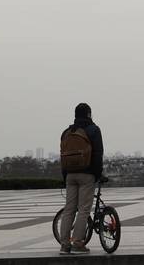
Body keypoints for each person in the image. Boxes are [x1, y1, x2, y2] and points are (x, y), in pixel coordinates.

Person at [58, 102, 104, 255]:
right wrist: (97, 174)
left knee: (69, 210)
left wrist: (65, 176)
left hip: (70, 175)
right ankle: (78, 243)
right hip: (87, 174)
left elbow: (63, 156)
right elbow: (98, 154)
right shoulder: (93, 130)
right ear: (89, 114)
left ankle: (64, 245)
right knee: (83, 210)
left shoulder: (66, 132)